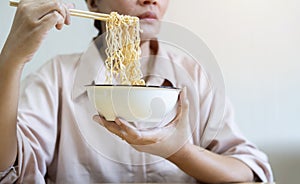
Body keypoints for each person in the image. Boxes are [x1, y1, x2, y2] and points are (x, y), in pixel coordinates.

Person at [0, 0, 273, 183]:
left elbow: (250, 171)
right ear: (93, 2)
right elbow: (10, 171)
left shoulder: (194, 77)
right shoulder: (56, 78)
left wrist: (181, 152)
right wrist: (12, 59)